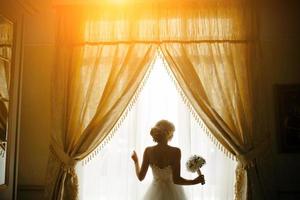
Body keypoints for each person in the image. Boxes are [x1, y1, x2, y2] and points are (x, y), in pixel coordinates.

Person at [131, 120, 205, 200]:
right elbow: (176, 180)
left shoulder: (148, 151)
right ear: (170, 134)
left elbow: (141, 177)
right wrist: (194, 181)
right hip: (174, 193)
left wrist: (136, 161)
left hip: (153, 193)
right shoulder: (176, 151)